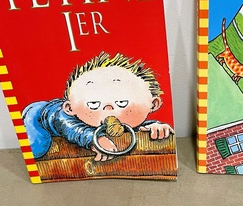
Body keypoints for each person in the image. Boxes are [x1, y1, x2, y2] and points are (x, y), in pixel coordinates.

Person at [22, 52, 174, 161]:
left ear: (153, 104)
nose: (108, 110)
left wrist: (153, 125)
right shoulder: (64, 115)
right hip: (38, 115)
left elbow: (131, 125)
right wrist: (94, 140)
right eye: (94, 104)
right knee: (38, 148)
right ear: (69, 108)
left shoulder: (115, 120)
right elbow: (68, 126)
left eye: (122, 103)